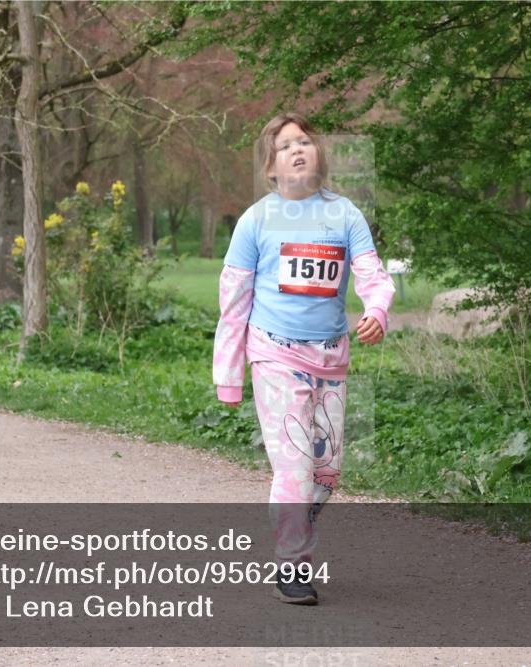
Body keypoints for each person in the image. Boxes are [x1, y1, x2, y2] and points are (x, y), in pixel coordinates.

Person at [213, 112, 396, 604]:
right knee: (294, 468)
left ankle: (294, 531)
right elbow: (233, 304)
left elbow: (373, 276)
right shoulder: (256, 220)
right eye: (285, 145)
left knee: (325, 474)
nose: (297, 149)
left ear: (319, 154)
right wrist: (228, 375)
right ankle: (292, 566)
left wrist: (377, 310)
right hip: (274, 355)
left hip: (330, 360)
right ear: (270, 167)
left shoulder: (345, 215)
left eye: (305, 141)